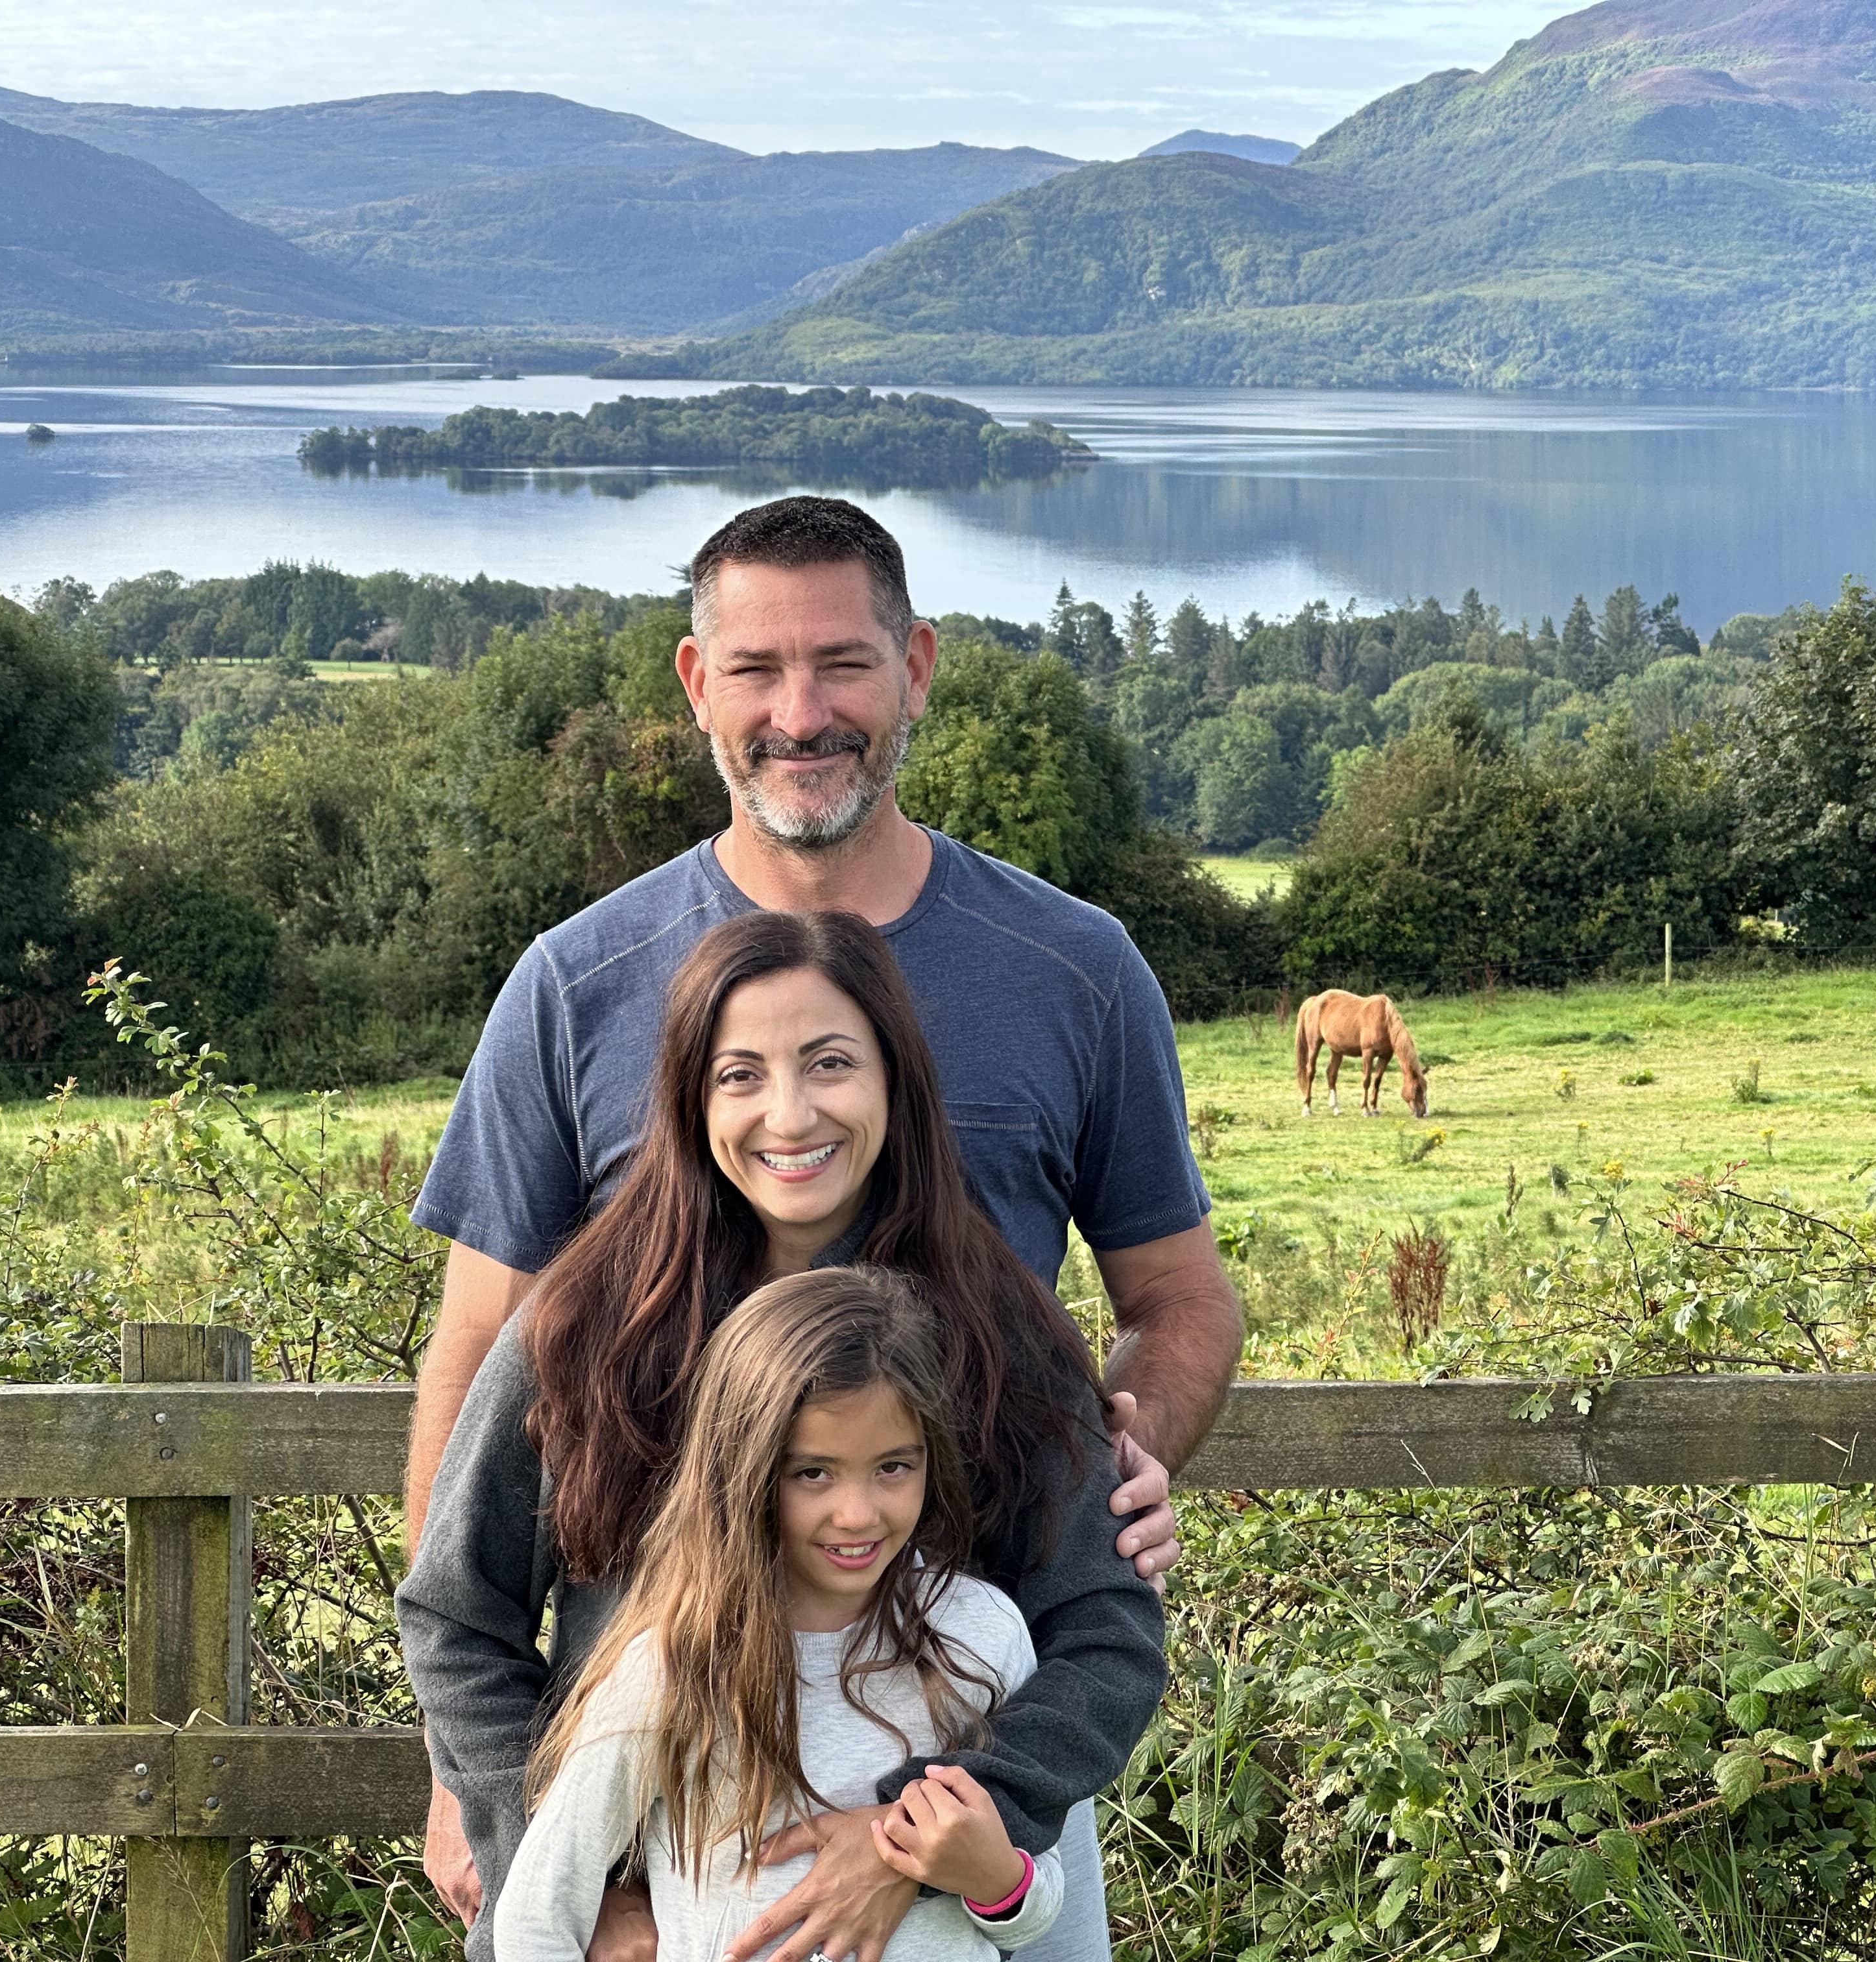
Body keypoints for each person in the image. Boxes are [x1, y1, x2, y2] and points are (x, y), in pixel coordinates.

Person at [403, 496, 1245, 1957]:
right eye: (758, 672)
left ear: (916, 665)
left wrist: (1121, 1459)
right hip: (628, 1803)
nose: (803, 713)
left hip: (956, 1761)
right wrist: (499, 1807)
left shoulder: (1074, 969)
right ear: (695, 685)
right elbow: (477, 1385)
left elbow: (1181, 1302)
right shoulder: (570, 983)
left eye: (843, 664)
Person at [398, 911, 1168, 1962]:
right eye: (741, 1073)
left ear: (894, 1081)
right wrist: (575, 1883)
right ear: (687, 1094)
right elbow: (456, 1613)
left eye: (830, 1062)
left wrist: (928, 1825)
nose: (790, 1110)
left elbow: (1103, 1624)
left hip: (960, 1899)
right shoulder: (581, 1327)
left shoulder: (997, 1329)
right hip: (664, 1906)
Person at [494, 1265, 1072, 1962]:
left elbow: (1037, 1900)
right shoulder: (676, 1665)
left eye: (894, 1466)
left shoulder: (981, 1635)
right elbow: (538, 1914)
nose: (858, 1514)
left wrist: (995, 1879)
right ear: (743, 1473)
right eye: (813, 1473)